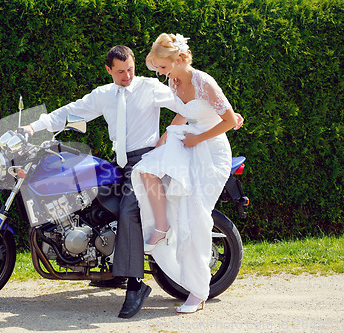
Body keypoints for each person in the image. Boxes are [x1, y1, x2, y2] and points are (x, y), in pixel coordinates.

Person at [21, 45, 243, 318]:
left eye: (130, 69)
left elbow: (188, 103)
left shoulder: (151, 87)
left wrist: (220, 120)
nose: (127, 76)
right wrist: (34, 126)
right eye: (120, 72)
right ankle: (116, 271)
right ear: (109, 70)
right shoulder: (103, 95)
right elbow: (71, 111)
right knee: (98, 206)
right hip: (121, 163)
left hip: (148, 160)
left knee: (128, 211)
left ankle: (135, 285)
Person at [131, 33, 238, 314]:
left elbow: (228, 120)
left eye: (162, 67)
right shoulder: (173, 80)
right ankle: (162, 226)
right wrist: (164, 138)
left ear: (178, 59)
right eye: (157, 68)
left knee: (195, 217)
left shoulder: (204, 82)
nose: (160, 73)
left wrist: (197, 139)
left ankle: (198, 292)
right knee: (146, 170)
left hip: (211, 151)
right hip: (188, 140)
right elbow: (183, 112)